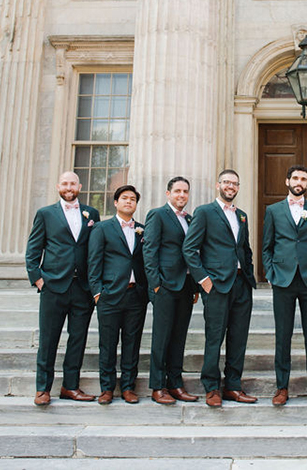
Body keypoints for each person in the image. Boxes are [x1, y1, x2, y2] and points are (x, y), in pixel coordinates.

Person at [183, 170, 258, 407]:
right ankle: (212, 387)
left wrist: (249, 275)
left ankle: (233, 386)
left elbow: (245, 249)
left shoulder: (242, 215)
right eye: (226, 182)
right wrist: (203, 279)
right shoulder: (204, 212)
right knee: (214, 337)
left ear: (238, 187)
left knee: (239, 338)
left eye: (234, 183)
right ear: (218, 185)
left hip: (241, 284)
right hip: (216, 285)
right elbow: (189, 249)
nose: (230, 186)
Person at [25, 171, 100, 406]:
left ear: (80, 186)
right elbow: (33, 249)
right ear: (58, 186)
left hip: (82, 287)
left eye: (73, 184)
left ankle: (70, 386)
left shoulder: (92, 213)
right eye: (65, 184)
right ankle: (43, 388)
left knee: (78, 339)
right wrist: (38, 279)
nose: (69, 187)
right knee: (48, 339)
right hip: (54, 286)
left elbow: (95, 249)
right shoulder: (46, 214)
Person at [262, 165, 307, 406]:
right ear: (287, 181)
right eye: (295, 178)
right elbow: (267, 246)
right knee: (283, 336)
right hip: (283, 280)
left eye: (303, 179)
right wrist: (271, 273)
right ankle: (282, 387)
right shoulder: (273, 211)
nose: (299, 182)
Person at [87, 185, 149, 404]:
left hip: (136, 296)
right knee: (108, 344)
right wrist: (97, 293)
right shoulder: (102, 229)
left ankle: (129, 387)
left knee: (132, 343)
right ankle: (106, 388)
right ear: (116, 202)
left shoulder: (143, 229)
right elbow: (93, 262)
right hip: (109, 296)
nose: (129, 202)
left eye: (133, 199)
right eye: (124, 198)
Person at [142, 177, 199, 405]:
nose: (182, 195)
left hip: (185, 286)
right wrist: (155, 283)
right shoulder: (157, 215)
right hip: (165, 285)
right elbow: (150, 251)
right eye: (177, 191)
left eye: (185, 191)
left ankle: (175, 383)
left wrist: (194, 286)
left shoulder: (190, 219)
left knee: (179, 337)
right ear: (168, 193)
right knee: (161, 337)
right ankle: (158, 386)